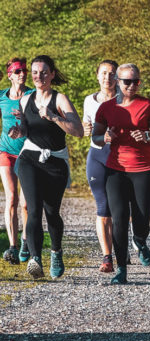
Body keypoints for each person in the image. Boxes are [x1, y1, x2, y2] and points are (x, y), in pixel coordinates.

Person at [8, 55, 83, 279]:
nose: (38, 76)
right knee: (33, 208)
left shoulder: (60, 100)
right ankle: (35, 258)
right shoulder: (25, 100)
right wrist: (18, 132)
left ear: (51, 74)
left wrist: (53, 117)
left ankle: (56, 252)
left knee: (52, 213)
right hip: (29, 158)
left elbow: (77, 131)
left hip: (55, 162)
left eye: (43, 72)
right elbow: (25, 130)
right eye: (34, 72)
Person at [92, 63, 150, 284]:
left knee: (141, 219)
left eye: (136, 81)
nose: (131, 86)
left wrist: (147, 137)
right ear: (117, 82)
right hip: (116, 170)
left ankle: (140, 240)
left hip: (144, 169)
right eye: (126, 82)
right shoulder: (106, 108)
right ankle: (121, 268)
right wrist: (105, 138)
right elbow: (95, 137)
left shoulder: (147, 105)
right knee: (120, 218)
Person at [83, 59, 118, 273]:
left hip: (121, 158)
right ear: (97, 76)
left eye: (112, 73)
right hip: (97, 156)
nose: (107, 77)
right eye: (104, 73)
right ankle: (107, 257)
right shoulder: (90, 100)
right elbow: (86, 127)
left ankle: (128, 244)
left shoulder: (124, 100)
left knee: (120, 209)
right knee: (103, 208)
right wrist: (85, 128)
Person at [0, 58, 34, 264]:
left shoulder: (32, 95)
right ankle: (12, 247)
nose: (23, 74)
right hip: (5, 151)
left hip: (28, 152)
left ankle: (25, 242)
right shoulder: (2, 97)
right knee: (11, 198)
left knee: (26, 203)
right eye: (18, 71)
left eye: (24, 71)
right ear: (10, 75)